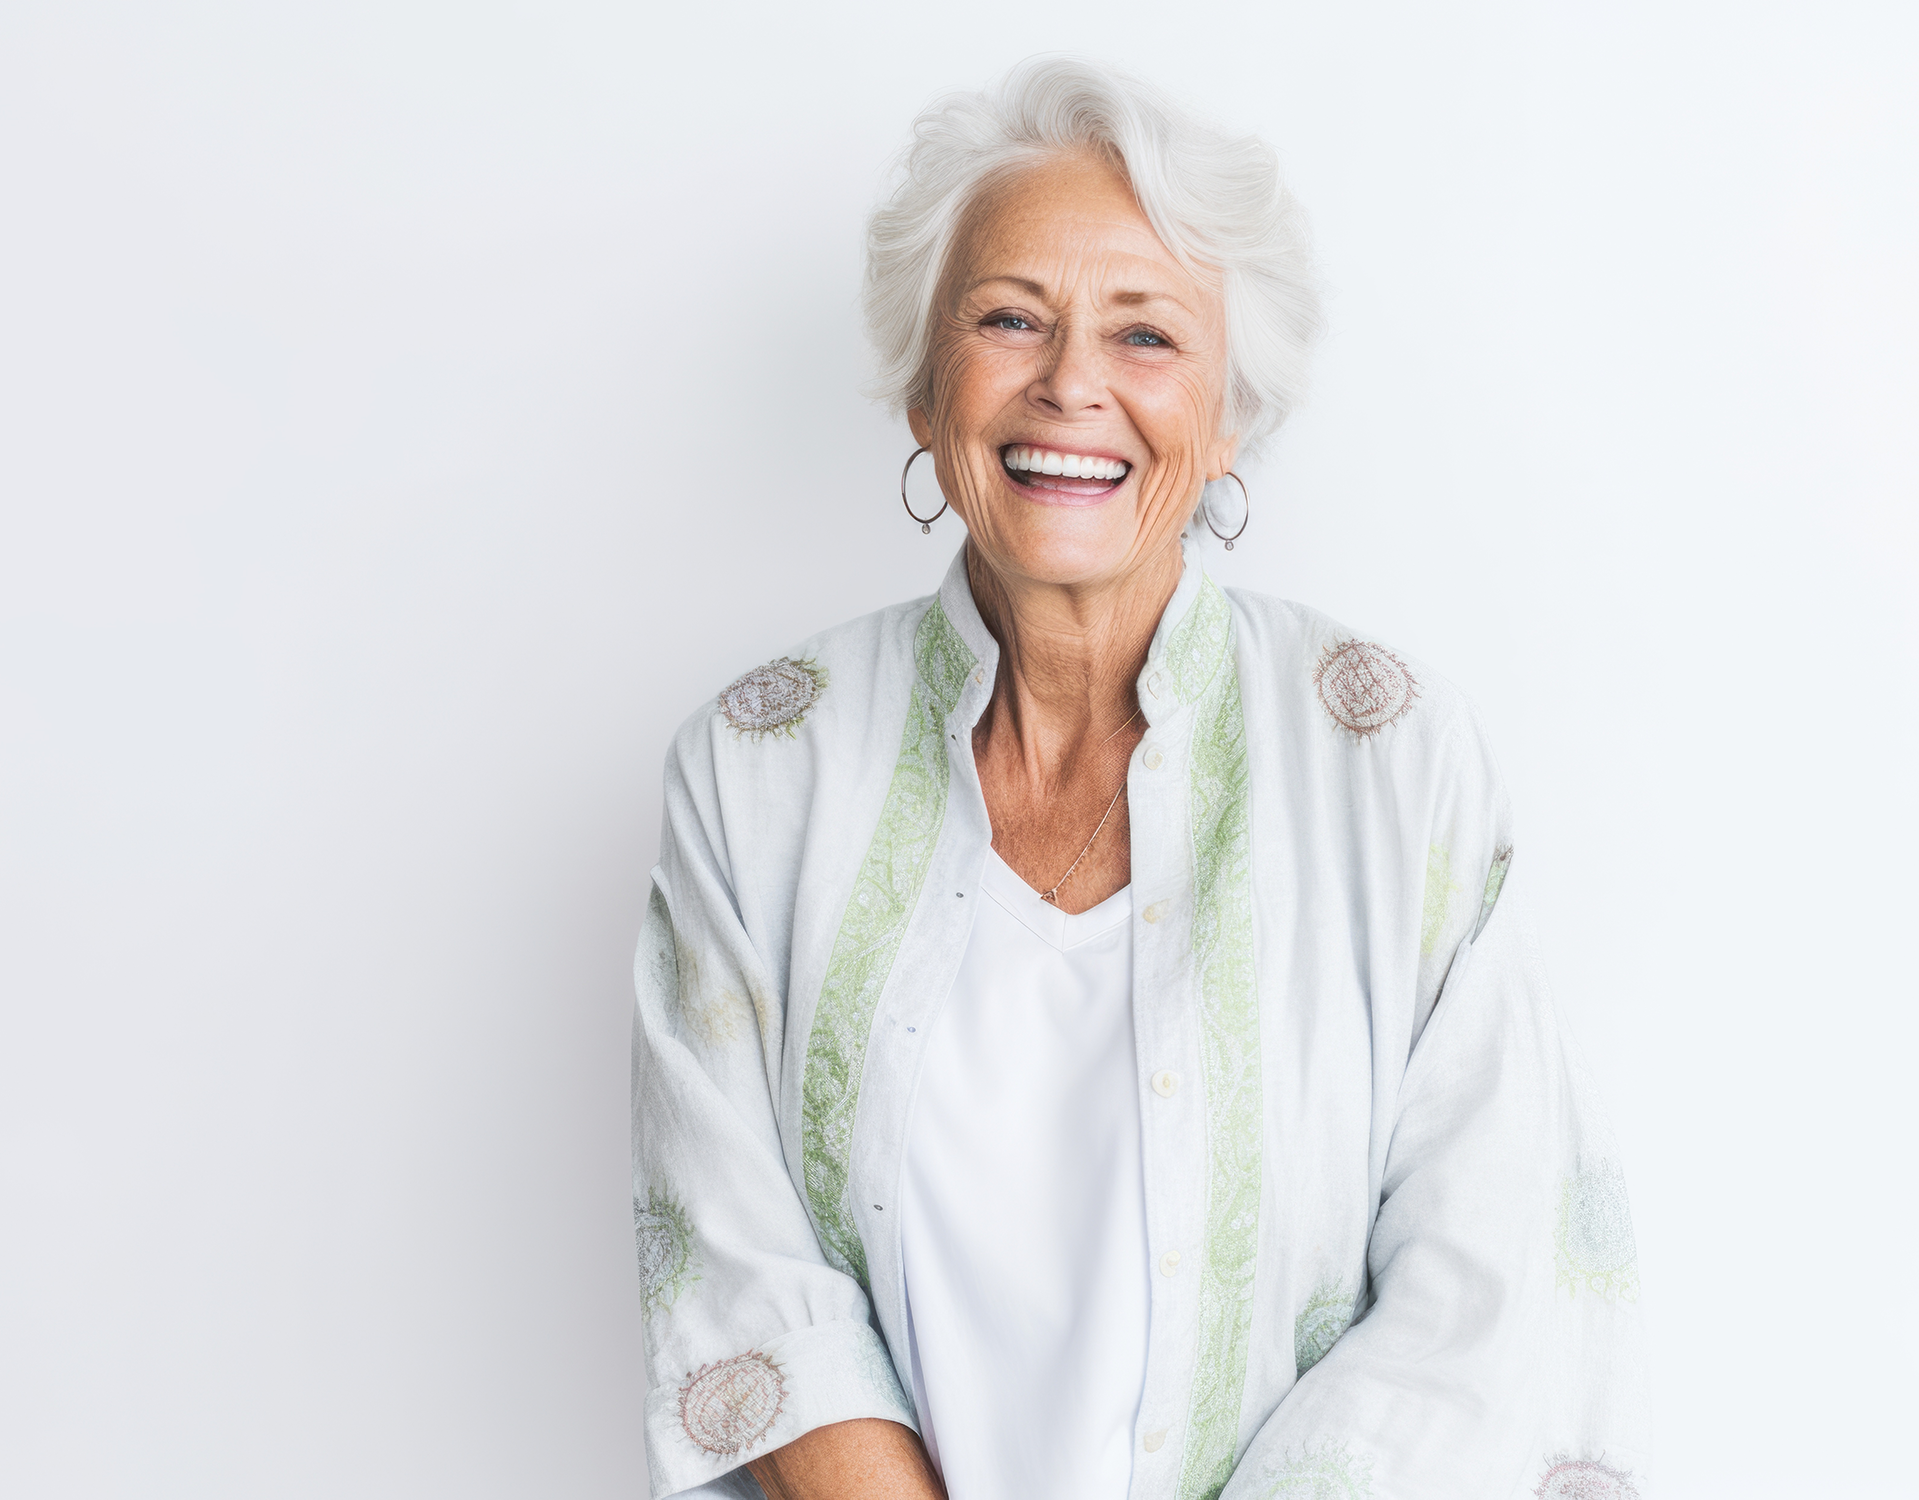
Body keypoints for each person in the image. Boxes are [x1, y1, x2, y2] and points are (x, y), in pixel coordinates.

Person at [631, 57, 1648, 1500]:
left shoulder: (1392, 762)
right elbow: (742, 1267)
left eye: (1146, 334)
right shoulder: (757, 768)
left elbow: (1492, 1287)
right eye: (1008, 320)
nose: (1071, 387)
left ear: (1230, 418)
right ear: (928, 393)